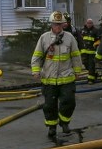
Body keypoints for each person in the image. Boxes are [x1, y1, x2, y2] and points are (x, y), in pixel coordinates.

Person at [31, 10, 83, 139]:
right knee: (49, 106)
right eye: (55, 24)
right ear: (51, 25)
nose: (58, 27)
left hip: (67, 78)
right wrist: (36, 70)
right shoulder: (44, 38)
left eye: (60, 24)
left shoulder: (70, 38)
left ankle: (64, 123)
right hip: (49, 79)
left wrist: (77, 71)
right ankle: (52, 127)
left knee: (69, 102)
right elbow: (36, 56)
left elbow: (76, 56)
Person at [79, 18, 102, 84]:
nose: (89, 24)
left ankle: (91, 80)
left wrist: (95, 44)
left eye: (90, 23)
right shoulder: (82, 31)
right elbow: (80, 40)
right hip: (84, 52)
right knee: (86, 64)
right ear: (86, 23)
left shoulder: (95, 31)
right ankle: (94, 74)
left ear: (92, 24)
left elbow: (99, 40)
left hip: (92, 51)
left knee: (91, 65)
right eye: (88, 23)